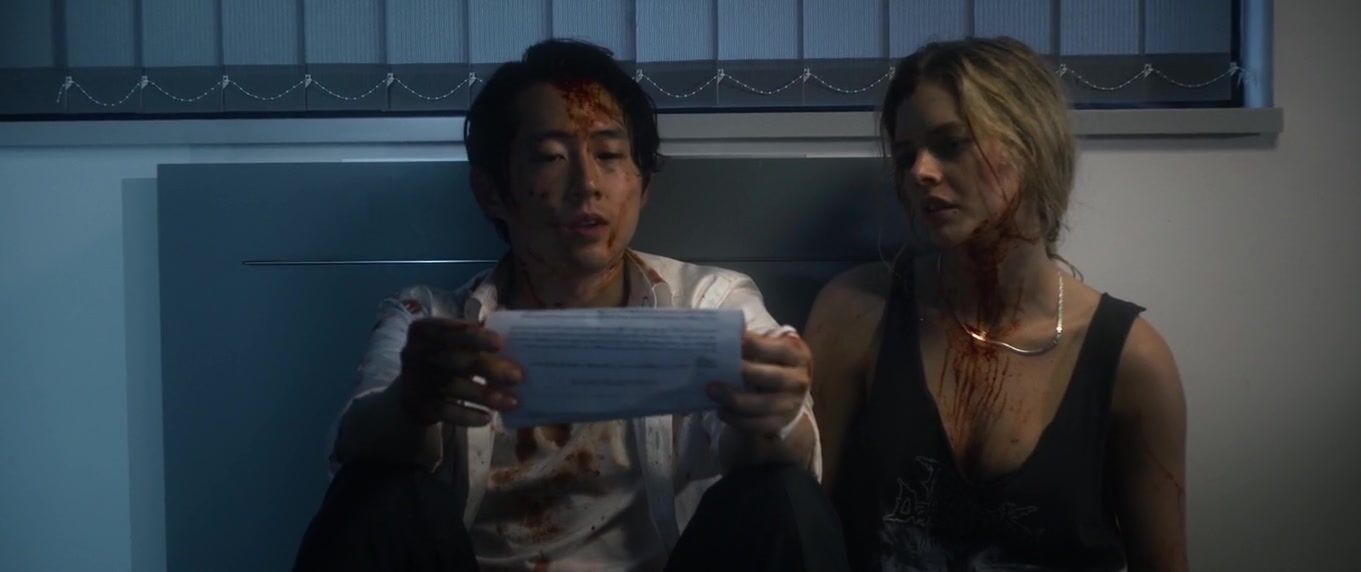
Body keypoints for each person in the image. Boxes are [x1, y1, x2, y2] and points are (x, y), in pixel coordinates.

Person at [293, 39, 846, 572]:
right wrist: (411, 403)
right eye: (551, 157)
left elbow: (782, 461)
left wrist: (772, 416)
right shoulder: (430, 322)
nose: (587, 185)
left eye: (609, 155)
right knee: (375, 485)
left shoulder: (711, 302)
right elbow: (354, 449)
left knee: (782, 491)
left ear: (643, 185)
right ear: (491, 191)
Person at [806, 38, 1187, 571]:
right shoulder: (856, 313)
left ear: (1032, 144)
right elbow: (799, 524)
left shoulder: (1129, 360)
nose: (920, 172)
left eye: (951, 144)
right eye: (906, 155)